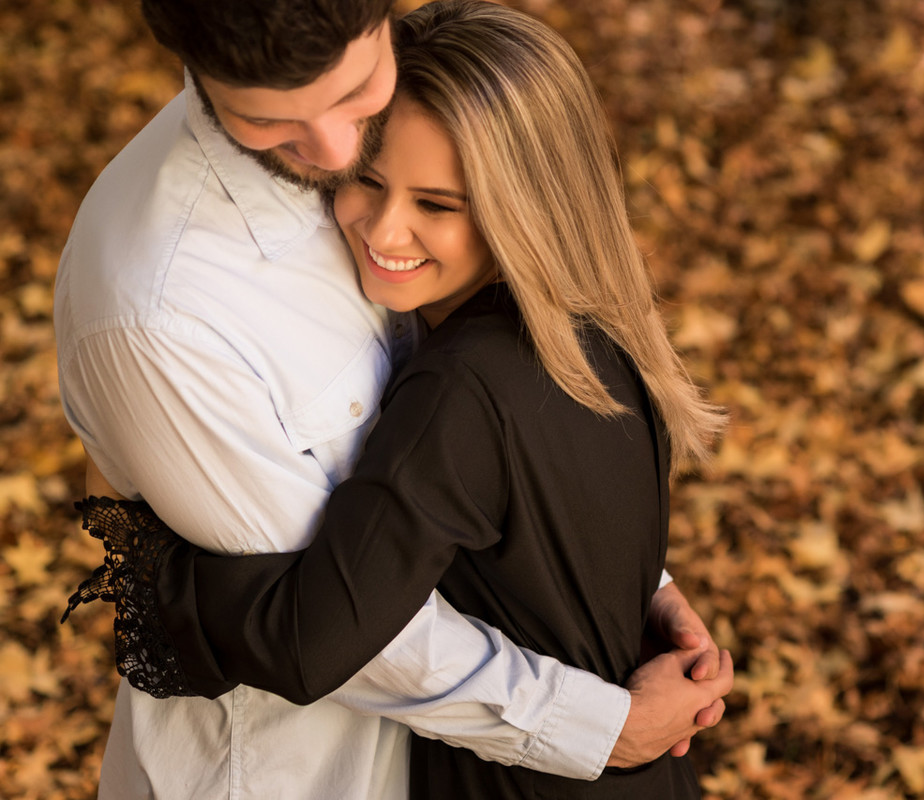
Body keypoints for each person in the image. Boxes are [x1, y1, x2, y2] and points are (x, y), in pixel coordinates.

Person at [53, 0, 729, 798]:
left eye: (357, 96)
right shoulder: (164, 305)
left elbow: (316, 632)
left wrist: (156, 581)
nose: (337, 153)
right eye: (272, 119)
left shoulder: (468, 374)